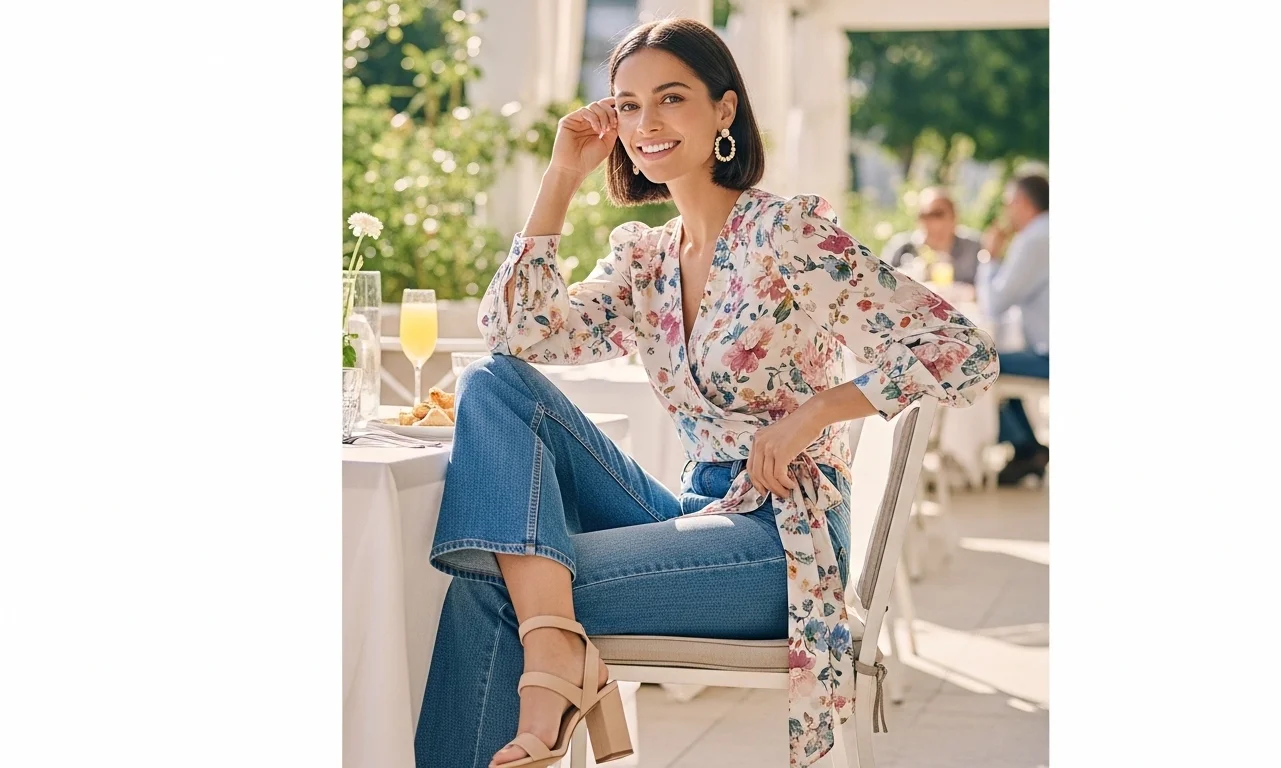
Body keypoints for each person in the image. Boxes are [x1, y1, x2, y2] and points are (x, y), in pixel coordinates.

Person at [414, 18, 1000, 768]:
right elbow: (515, 335)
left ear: (724, 109)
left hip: (780, 540)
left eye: (671, 98)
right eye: (628, 106)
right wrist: (561, 177)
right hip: (696, 508)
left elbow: (962, 349)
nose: (646, 124)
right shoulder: (646, 261)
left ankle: (551, 666)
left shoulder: (785, 234)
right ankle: (555, 654)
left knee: (498, 581)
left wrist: (816, 412)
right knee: (491, 383)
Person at [976, 173, 1049, 486]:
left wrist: (989, 256)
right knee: (996, 360)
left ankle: (1024, 448)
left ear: (1022, 203)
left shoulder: (1035, 239)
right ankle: (1027, 448)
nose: (1006, 212)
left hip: (1049, 356)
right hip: (1044, 350)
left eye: (1008, 203)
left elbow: (994, 304)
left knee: (979, 362)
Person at [881, 186, 984, 287]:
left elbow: (986, 287)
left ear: (954, 216)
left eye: (937, 214)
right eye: (924, 215)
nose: (932, 222)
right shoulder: (901, 248)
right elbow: (881, 283)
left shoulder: (974, 248)